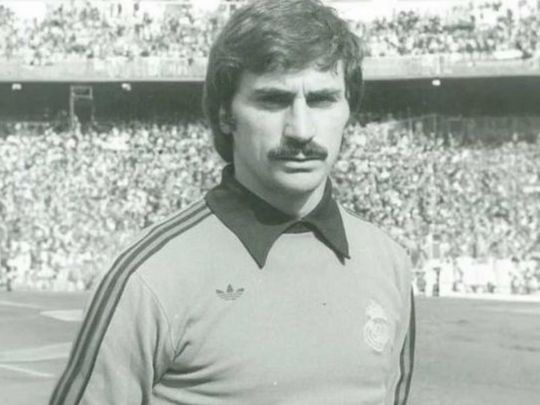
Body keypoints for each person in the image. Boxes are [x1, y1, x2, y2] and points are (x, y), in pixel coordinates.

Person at [50, 1, 415, 404]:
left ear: (349, 110)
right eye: (272, 100)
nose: (301, 130)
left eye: (322, 99)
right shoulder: (149, 277)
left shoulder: (389, 263)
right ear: (226, 115)